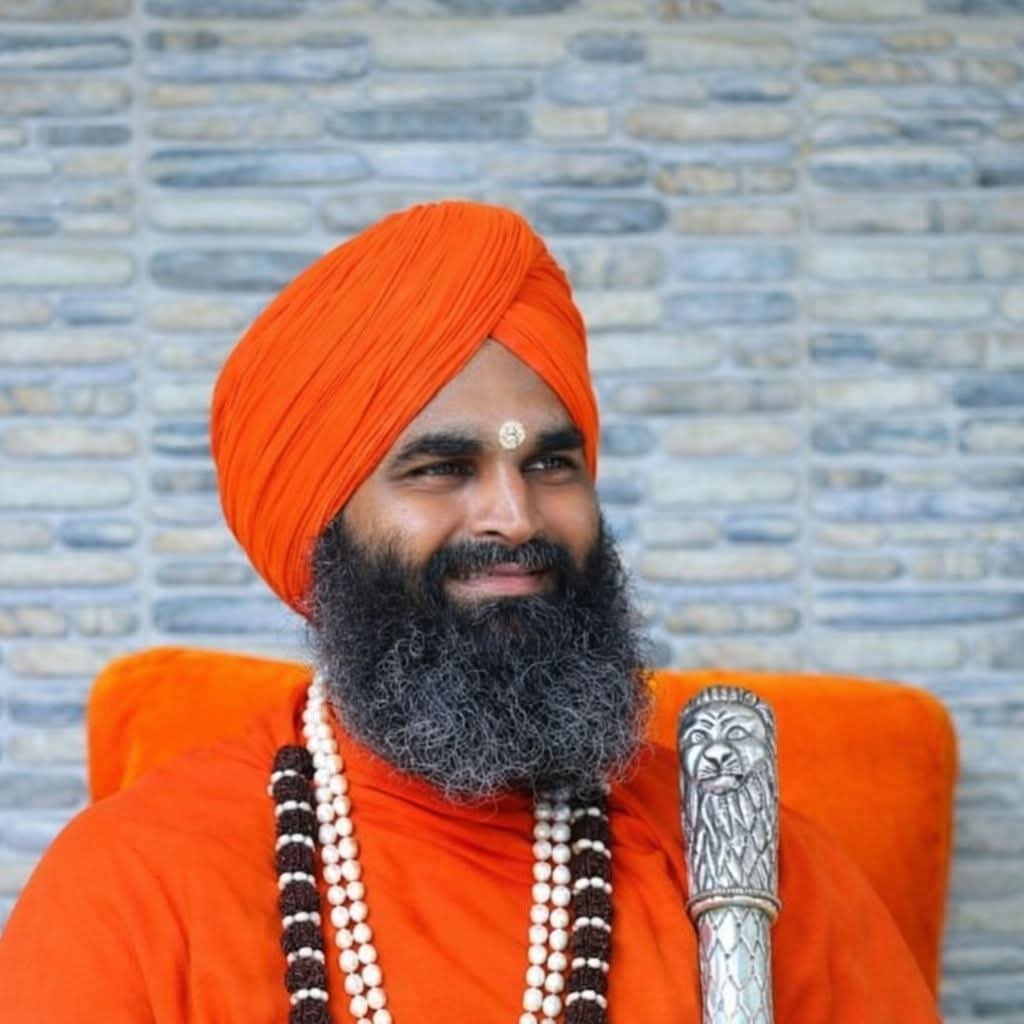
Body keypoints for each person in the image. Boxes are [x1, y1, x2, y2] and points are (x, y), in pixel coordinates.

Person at [0, 201, 941, 1022]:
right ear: (323, 526)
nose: (515, 517)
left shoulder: (747, 865)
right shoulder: (132, 888)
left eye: (550, 463)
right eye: (443, 468)